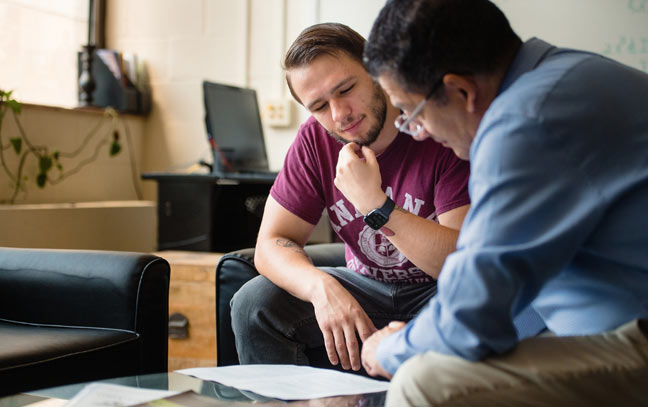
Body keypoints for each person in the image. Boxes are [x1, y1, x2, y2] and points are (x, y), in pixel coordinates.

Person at [356, 0, 648, 404]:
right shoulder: (565, 76)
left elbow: (473, 315)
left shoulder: (525, 123)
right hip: (610, 320)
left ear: (461, 90)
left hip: (634, 335)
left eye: (409, 112)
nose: (416, 132)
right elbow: (497, 284)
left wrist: (390, 349)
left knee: (426, 381)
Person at [230, 22, 471, 374]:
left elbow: (462, 264)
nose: (339, 114)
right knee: (254, 303)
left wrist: (376, 206)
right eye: (319, 106)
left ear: (375, 69)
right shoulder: (315, 140)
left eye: (345, 89)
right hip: (366, 289)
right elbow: (271, 243)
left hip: (440, 292)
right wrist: (320, 288)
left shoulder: (434, 124)